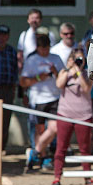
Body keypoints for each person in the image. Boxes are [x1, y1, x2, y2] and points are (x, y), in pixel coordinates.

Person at [20, 29, 64, 171]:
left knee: (54, 128)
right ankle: (44, 157)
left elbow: (64, 78)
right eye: (41, 48)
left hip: (55, 98)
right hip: (38, 100)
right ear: (37, 47)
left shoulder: (56, 58)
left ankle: (35, 152)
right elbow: (23, 81)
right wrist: (39, 78)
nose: (44, 51)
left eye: (46, 48)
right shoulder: (32, 60)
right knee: (39, 130)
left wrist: (55, 72)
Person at [52, 47, 93, 185]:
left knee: (85, 148)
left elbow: (86, 88)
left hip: (84, 115)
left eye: (80, 59)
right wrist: (68, 69)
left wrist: (78, 71)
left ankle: (87, 177)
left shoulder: (88, 74)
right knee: (61, 147)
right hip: (65, 114)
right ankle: (57, 176)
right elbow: (59, 84)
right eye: (75, 59)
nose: (78, 62)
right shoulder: (64, 72)